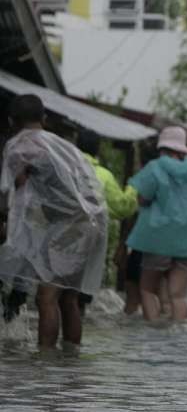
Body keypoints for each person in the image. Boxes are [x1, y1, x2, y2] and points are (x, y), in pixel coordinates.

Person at [0, 94, 108, 348]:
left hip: (71, 226)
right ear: (44, 119)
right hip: (94, 221)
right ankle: (70, 361)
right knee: (68, 298)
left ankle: (45, 362)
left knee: (46, 298)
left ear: (11, 121)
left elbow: (8, 191)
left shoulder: (19, 146)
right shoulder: (64, 146)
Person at [125, 126, 187, 322]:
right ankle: (179, 338)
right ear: (182, 149)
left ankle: (154, 333)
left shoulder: (155, 168)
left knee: (147, 289)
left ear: (161, 147)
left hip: (158, 239)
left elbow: (143, 198)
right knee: (178, 295)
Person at [74, 130, 139, 313]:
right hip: (92, 239)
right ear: (97, 149)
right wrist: (133, 189)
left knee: (60, 292)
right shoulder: (103, 175)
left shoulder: (66, 169)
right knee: (81, 294)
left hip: (63, 237)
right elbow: (122, 208)